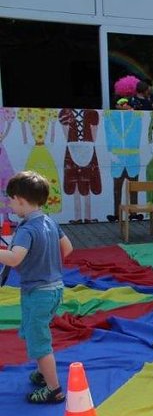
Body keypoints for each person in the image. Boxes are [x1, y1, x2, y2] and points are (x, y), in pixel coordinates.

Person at [1, 171, 74, 403]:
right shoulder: (50, 221)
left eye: (11, 201)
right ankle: (44, 373)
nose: (11, 205)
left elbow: (14, 259)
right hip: (55, 289)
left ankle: (54, 388)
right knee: (38, 331)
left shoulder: (25, 230)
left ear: (21, 200)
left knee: (40, 343)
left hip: (37, 293)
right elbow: (68, 248)